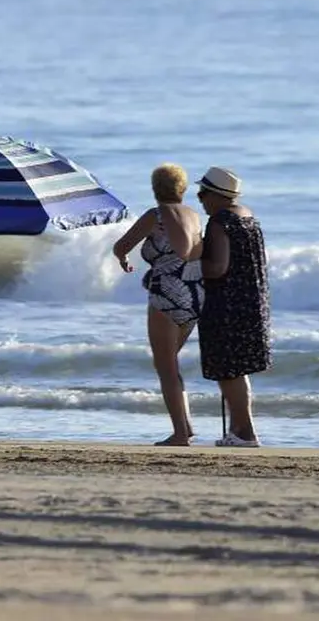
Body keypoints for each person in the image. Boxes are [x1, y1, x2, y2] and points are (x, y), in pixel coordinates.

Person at [113, 163, 203, 446]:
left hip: (165, 293)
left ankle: (180, 433)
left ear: (155, 189)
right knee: (171, 363)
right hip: (194, 292)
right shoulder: (193, 215)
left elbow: (121, 245)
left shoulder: (155, 215)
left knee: (165, 366)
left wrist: (123, 260)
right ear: (183, 188)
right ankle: (185, 427)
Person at [195, 166, 270, 447]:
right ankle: (240, 429)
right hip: (251, 299)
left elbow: (218, 268)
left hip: (226, 302)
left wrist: (188, 264)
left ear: (216, 195)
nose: (200, 199)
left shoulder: (219, 221)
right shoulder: (248, 215)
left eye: (203, 193)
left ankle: (246, 432)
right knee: (237, 370)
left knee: (228, 370)